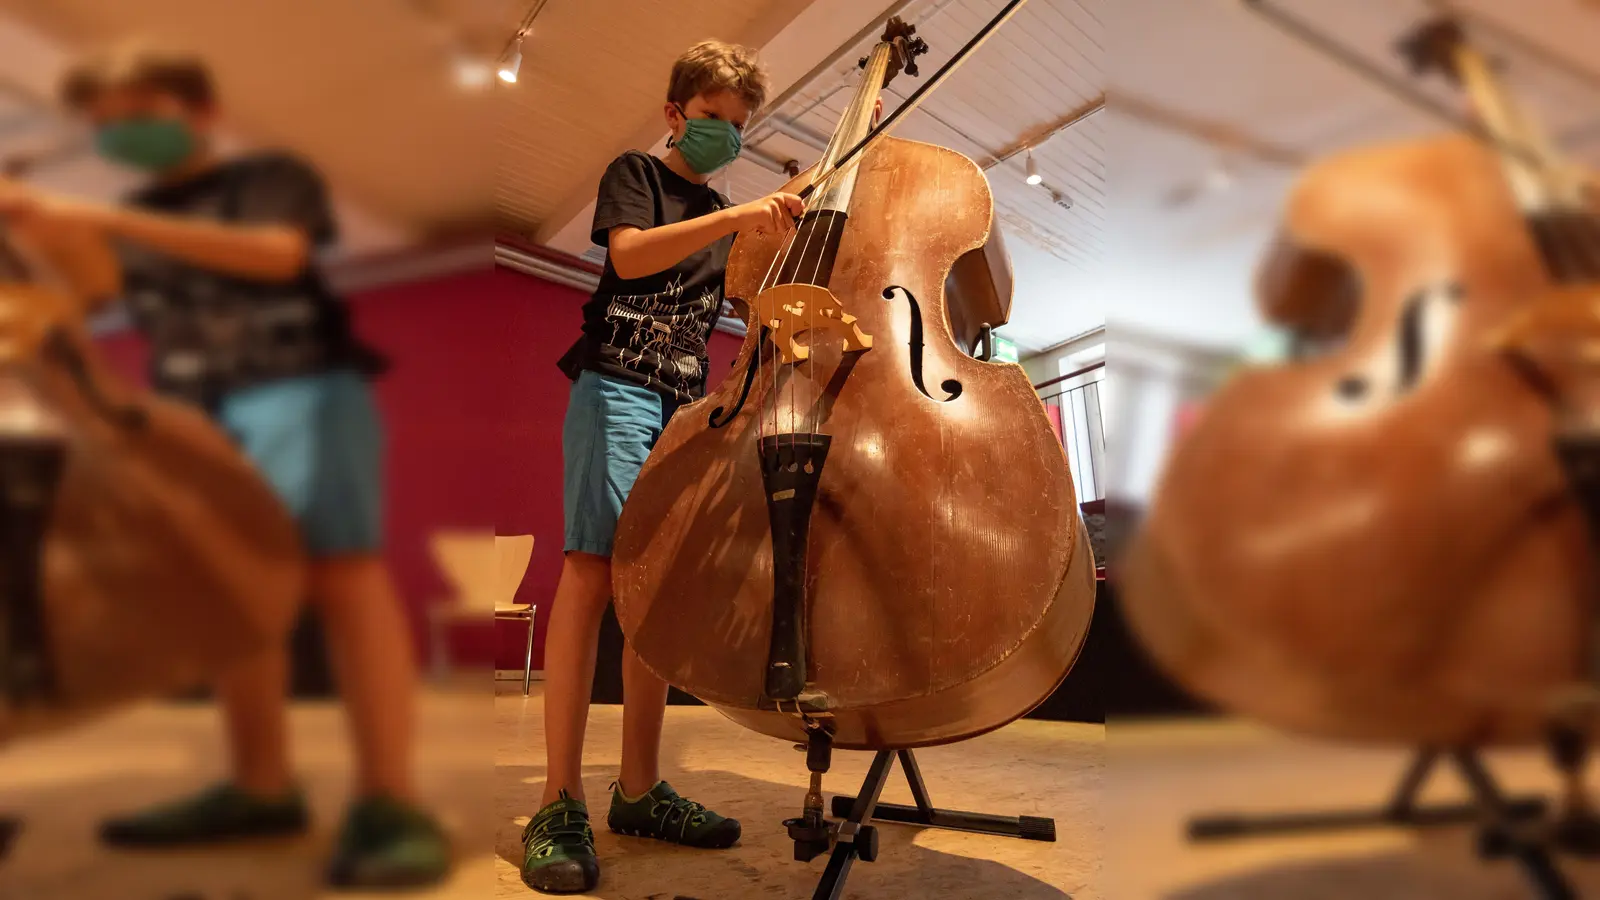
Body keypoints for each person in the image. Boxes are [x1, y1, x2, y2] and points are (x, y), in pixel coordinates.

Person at [0, 42, 451, 889]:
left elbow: (279, 256)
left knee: (339, 573)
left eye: (140, 114)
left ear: (198, 113)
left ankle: (391, 800)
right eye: (108, 124)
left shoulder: (270, 177)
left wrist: (102, 218)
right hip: (190, 410)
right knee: (230, 586)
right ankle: (259, 783)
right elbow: (86, 297)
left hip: (300, 384)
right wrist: (33, 236)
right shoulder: (129, 209)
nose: (121, 134)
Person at [520, 39, 808, 895]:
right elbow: (630, 258)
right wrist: (734, 217)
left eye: (738, 124)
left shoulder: (723, 217)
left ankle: (638, 787)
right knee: (592, 570)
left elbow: (747, 308)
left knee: (654, 587)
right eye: (712, 118)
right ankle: (558, 797)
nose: (725, 133)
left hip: (684, 408)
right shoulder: (637, 176)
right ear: (676, 113)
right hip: (615, 387)